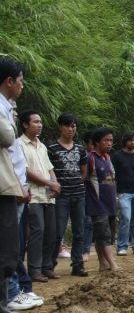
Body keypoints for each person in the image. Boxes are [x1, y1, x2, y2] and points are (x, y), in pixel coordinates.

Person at [0, 59, 32, 313]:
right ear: (9, 81)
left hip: (10, 184)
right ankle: (2, 308)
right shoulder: (1, 106)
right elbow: (7, 137)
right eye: (20, 80)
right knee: (6, 248)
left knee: (9, 246)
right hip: (4, 186)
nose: (22, 85)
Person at [19, 110, 60, 281]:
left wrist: (55, 183)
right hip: (33, 195)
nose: (40, 125)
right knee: (38, 231)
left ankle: (47, 266)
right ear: (25, 124)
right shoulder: (19, 144)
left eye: (40, 122)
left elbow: (49, 168)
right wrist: (50, 183)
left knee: (51, 232)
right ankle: (34, 269)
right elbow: (25, 170)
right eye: (35, 122)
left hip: (48, 196)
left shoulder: (42, 146)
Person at [47, 113, 89, 276]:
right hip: (61, 196)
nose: (71, 129)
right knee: (57, 232)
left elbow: (84, 172)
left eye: (73, 126)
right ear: (60, 127)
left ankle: (77, 264)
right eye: (67, 126)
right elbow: (48, 171)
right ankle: (49, 266)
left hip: (78, 194)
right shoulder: (51, 148)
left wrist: (76, 183)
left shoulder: (80, 149)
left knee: (79, 231)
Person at [85, 128, 118, 272]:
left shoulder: (108, 159)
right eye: (106, 140)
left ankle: (103, 264)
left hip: (110, 203)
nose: (109, 143)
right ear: (97, 142)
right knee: (104, 234)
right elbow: (85, 179)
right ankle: (112, 263)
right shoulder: (90, 158)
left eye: (111, 140)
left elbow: (113, 180)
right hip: (97, 203)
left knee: (103, 235)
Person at [111, 131, 134, 256]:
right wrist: (114, 193)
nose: (132, 142)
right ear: (125, 141)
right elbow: (112, 176)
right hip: (123, 192)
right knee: (125, 218)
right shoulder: (117, 156)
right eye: (130, 140)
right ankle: (122, 246)